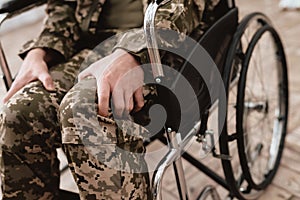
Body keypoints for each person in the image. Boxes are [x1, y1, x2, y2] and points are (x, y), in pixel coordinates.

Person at [0, 0, 220, 199]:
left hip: (166, 50)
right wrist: (42, 49)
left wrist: (134, 51)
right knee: (19, 113)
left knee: (87, 110)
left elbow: (184, 6)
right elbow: (65, 6)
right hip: (94, 46)